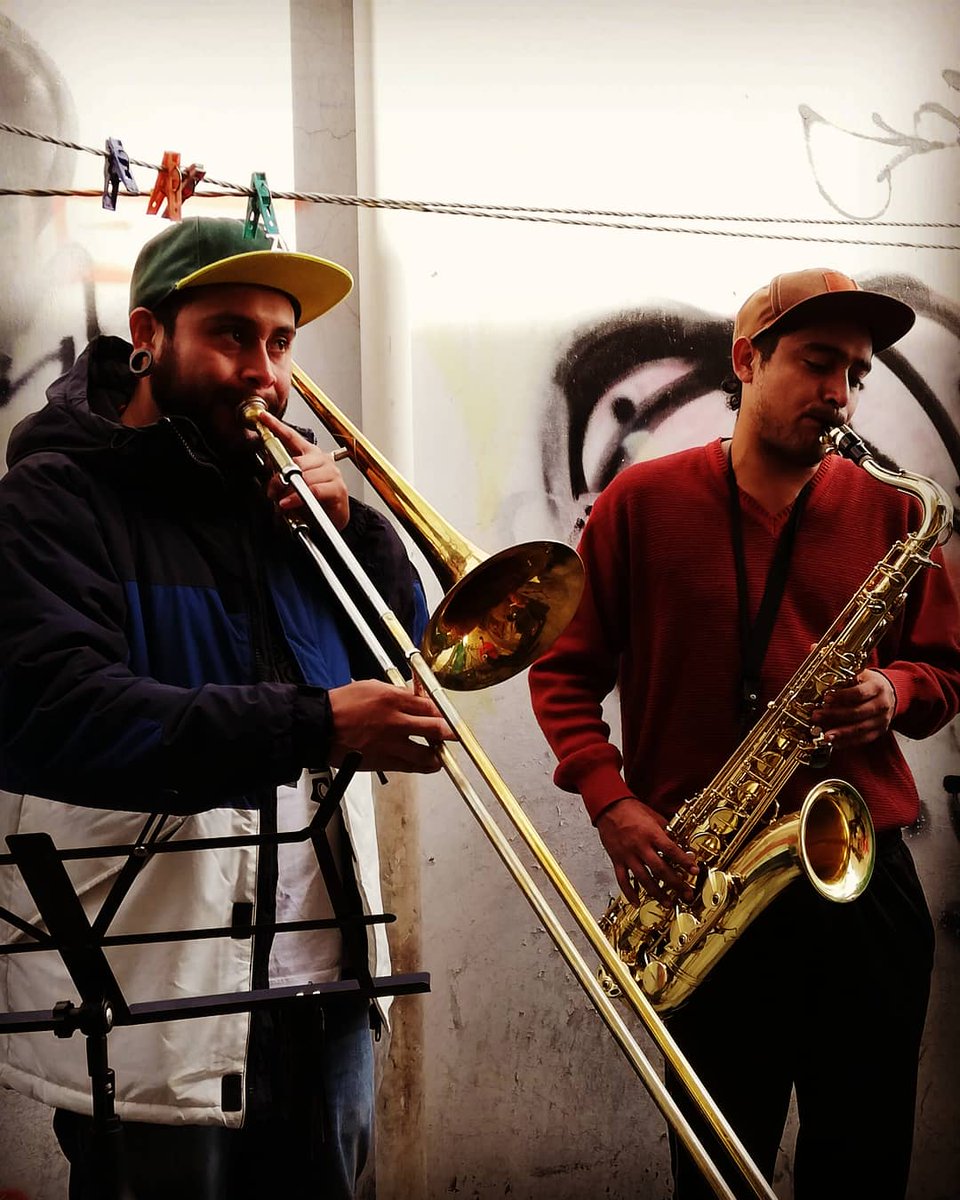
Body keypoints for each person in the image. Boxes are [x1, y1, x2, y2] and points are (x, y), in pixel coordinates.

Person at [0, 216, 452, 1199]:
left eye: (280, 342)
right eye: (231, 334)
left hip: (326, 983)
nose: (263, 369)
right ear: (149, 335)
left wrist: (358, 533)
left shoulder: (288, 506)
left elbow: (400, 656)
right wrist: (316, 724)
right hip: (156, 996)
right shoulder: (53, 499)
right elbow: (59, 713)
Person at [529, 267, 960, 1200]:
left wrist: (897, 690)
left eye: (856, 372)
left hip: (860, 875)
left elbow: (947, 672)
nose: (839, 394)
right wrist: (610, 801)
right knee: (720, 1170)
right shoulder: (640, 504)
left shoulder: (893, 511)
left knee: (865, 1158)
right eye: (816, 363)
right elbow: (563, 673)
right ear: (746, 360)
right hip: (707, 881)